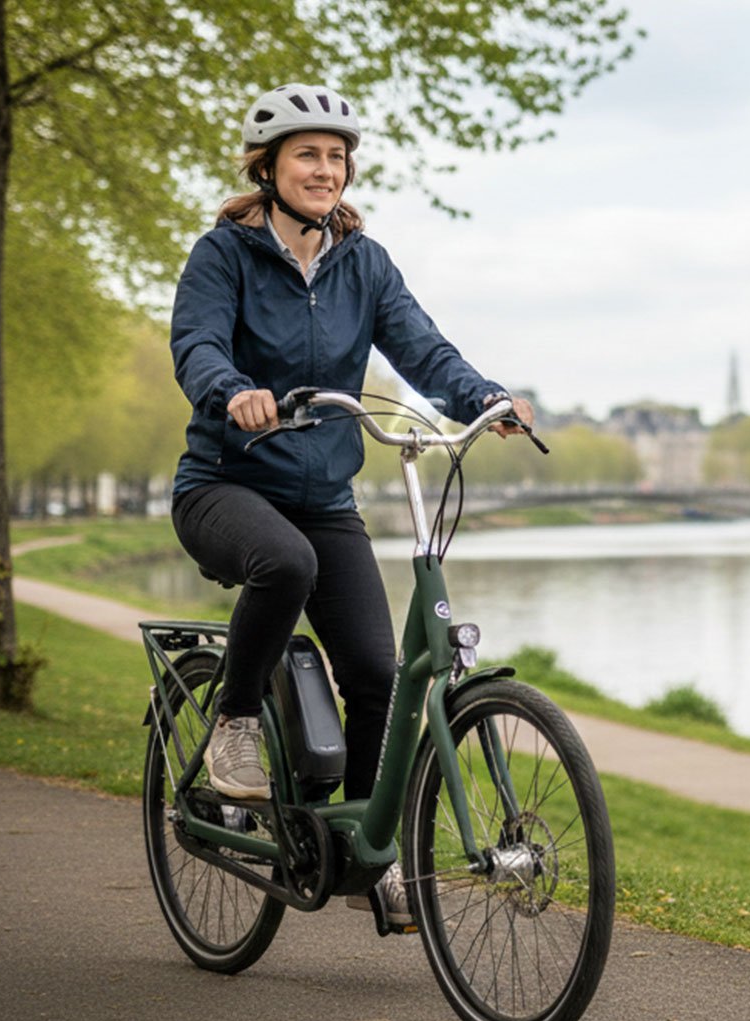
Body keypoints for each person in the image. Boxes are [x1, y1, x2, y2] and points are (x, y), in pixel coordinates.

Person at [168, 84, 534, 928]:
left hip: (325, 495)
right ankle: (233, 722)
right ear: (268, 168)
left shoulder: (363, 262)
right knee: (284, 563)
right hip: (226, 484)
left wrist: (482, 396)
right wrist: (232, 391)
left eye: (336, 157)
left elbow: (418, 344)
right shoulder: (222, 254)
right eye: (307, 154)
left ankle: (373, 855)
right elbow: (197, 342)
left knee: (378, 674)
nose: (324, 170)